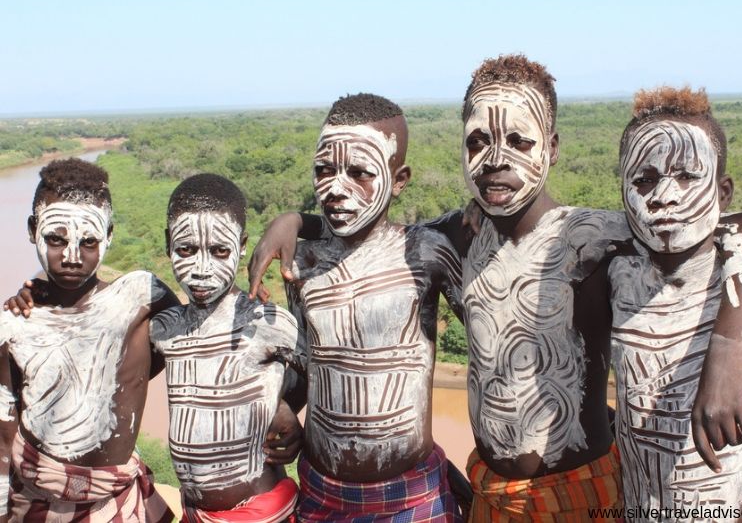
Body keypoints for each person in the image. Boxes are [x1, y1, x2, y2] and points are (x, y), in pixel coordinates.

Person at [248, 55, 742, 522]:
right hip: (490, 491)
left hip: (582, 487)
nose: (496, 158)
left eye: (519, 140)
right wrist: (296, 220)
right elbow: (370, 230)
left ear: (551, 148)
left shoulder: (598, 239)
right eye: (478, 140)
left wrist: (730, 345)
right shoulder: (452, 240)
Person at [610, 87, 742, 521]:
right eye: (644, 179)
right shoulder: (616, 282)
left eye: (687, 177)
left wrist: (730, 346)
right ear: (623, 192)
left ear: (724, 192)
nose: (664, 196)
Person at [283, 93, 464, 521]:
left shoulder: (424, 252)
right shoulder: (302, 262)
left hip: (410, 497)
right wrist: (281, 407)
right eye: (324, 170)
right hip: (321, 492)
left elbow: (492, 344)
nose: (335, 188)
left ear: (399, 180)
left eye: (359, 173)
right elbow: (304, 366)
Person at [0, 158, 176, 522]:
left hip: (117, 500)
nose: (71, 257)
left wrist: (113, 383)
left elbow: (183, 345)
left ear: (109, 235)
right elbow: (4, 431)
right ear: (33, 230)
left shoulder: (142, 297)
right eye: (55, 239)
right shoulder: (15, 323)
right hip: (36, 501)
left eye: (89, 241)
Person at [150, 173, 303, 522]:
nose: (202, 270)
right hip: (195, 511)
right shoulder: (164, 329)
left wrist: (285, 407)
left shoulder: (267, 322)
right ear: (167, 243)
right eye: (186, 250)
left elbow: (325, 377)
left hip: (264, 511)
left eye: (220, 251)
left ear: (243, 245)